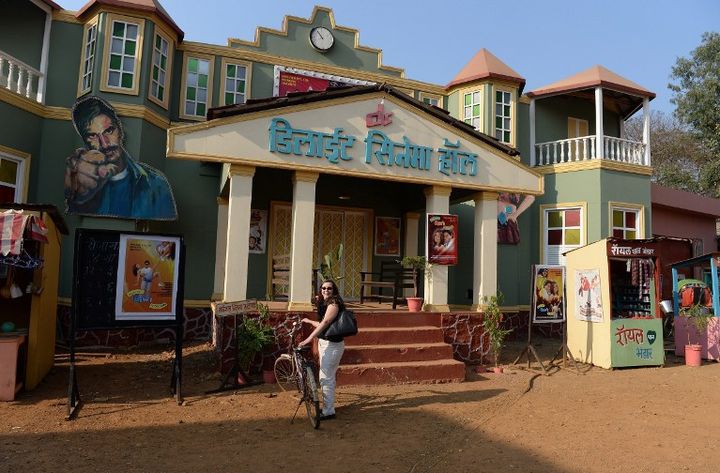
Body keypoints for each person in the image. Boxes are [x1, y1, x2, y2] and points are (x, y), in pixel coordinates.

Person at [65, 96, 177, 220]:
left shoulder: (157, 183)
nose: (105, 144)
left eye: (109, 131)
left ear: (120, 130)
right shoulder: (82, 186)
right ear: (85, 141)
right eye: (92, 136)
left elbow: (163, 233)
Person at [298, 279, 345, 420]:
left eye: (329, 288)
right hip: (326, 343)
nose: (326, 290)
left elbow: (325, 323)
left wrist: (307, 339)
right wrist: (309, 321)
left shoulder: (334, 303)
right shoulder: (325, 303)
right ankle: (328, 405)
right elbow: (323, 324)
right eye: (323, 288)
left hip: (332, 345)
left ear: (334, 290)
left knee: (326, 378)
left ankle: (328, 411)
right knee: (327, 377)